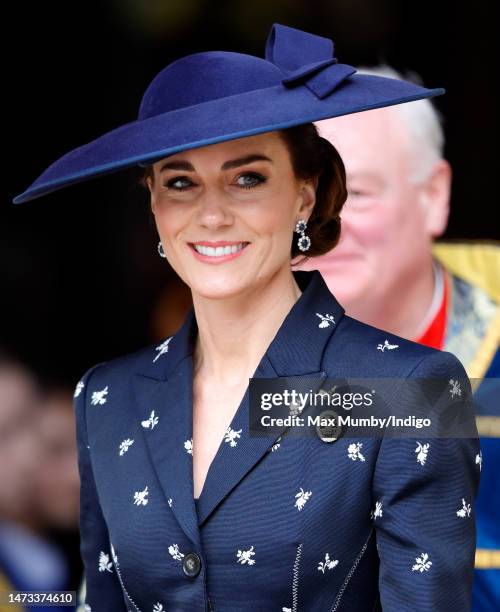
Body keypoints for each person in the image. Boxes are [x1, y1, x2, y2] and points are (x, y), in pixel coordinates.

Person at [12, 24, 481, 611]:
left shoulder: (410, 391)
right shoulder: (107, 395)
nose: (211, 215)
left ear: (304, 197)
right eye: (181, 183)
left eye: (247, 179)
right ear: (153, 203)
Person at [295, 65, 499, 611]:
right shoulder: (222, 363)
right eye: (302, 195)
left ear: (434, 196)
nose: (320, 225)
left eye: (355, 192)